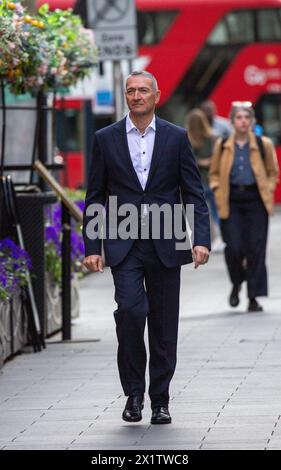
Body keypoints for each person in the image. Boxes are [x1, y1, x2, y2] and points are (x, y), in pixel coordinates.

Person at [82, 71, 210, 425]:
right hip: (123, 243)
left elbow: (194, 193)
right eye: (131, 91)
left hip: (167, 240)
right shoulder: (105, 139)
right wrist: (92, 245)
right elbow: (95, 196)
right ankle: (133, 393)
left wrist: (201, 239)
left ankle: (160, 400)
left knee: (164, 324)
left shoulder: (176, 137)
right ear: (126, 97)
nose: (136, 96)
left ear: (157, 95)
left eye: (143, 90)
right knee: (131, 312)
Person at [209, 101, 279, 312]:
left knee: (256, 250)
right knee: (235, 248)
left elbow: (272, 172)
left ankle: (253, 297)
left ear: (252, 121)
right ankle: (237, 283)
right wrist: (216, 188)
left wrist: (267, 187)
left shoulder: (262, 143)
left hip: (256, 200)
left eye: (247, 118)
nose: (243, 121)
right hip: (231, 201)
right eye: (239, 118)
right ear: (231, 121)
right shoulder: (222, 145)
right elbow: (213, 173)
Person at [186, 109, 223, 251]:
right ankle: (220, 238)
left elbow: (187, 161)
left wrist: (199, 162)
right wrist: (207, 162)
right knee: (215, 211)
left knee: (196, 212)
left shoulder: (187, 138)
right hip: (212, 180)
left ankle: (199, 240)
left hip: (195, 183)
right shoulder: (214, 137)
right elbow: (218, 157)